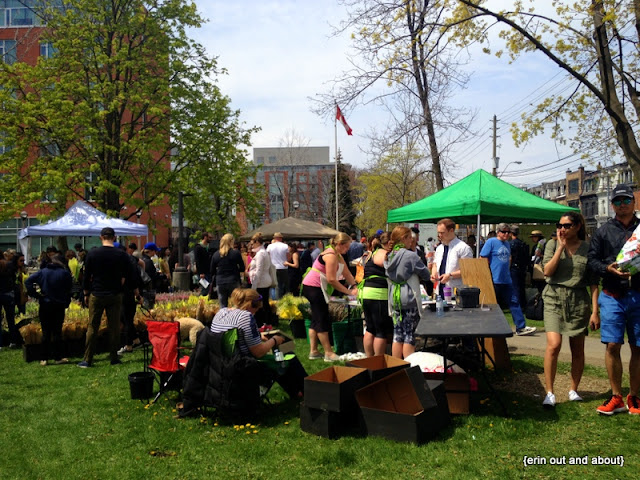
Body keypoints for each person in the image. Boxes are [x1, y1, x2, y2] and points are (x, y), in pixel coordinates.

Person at [587, 184, 640, 415]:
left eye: (626, 200)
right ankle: (616, 395)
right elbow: (592, 261)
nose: (622, 205)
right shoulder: (603, 231)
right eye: (617, 201)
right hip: (611, 295)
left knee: (638, 347)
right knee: (612, 345)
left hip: (638, 294)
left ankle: (634, 397)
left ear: (634, 203)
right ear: (612, 205)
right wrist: (608, 268)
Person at [541, 212, 599, 408]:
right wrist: (560, 248)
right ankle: (549, 392)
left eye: (566, 226)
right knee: (554, 345)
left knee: (577, 349)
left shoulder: (588, 249)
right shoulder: (551, 245)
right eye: (560, 225)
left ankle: (574, 389)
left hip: (578, 300)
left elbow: (593, 282)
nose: (562, 229)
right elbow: (547, 271)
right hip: (553, 297)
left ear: (577, 227)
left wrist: (595, 311)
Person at [209, 288, 306, 398]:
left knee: (279, 359)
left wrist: (259, 336)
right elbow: (258, 352)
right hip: (242, 366)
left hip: (220, 362)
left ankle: (296, 392)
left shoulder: (222, 312)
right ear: (251, 304)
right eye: (256, 308)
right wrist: (274, 340)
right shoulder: (245, 316)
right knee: (286, 356)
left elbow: (231, 334)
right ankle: (306, 388)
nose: (256, 312)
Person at [78, 227, 134, 368]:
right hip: (115, 294)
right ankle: (114, 357)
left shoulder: (93, 253)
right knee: (114, 327)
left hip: (97, 293)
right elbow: (129, 273)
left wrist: (85, 293)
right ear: (114, 237)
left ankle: (87, 359)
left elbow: (86, 276)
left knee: (93, 327)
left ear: (101, 237)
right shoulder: (121, 254)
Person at [302, 232, 358, 362]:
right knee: (322, 318)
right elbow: (332, 279)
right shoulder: (331, 256)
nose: (348, 249)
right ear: (339, 244)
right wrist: (349, 292)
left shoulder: (337, 255)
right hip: (314, 288)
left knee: (316, 318)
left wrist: (354, 285)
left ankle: (314, 351)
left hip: (314, 287)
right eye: (347, 246)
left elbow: (346, 272)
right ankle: (328, 353)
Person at [481, 222, 537, 336]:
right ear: (498, 232)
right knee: (492, 305)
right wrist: (487, 275)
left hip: (506, 279)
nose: (506, 234)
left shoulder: (507, 244)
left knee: (514, 302)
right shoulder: (491, 242)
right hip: (494, 279)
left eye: (508, 232)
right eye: (504, 232)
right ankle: (490, 327)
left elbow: (509, 259)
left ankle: (521, 327)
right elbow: (483, 258)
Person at [385, 226, 431, 359]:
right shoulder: (410, 256)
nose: (412, 240)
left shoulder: (389, 255)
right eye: (410, 237)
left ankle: (395, 365)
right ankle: (408, 365)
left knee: (397, 334)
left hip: (394, 297)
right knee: (409, 335)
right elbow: (426, 274)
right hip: (409, 297)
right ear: (404, 238)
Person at [25, 254, 73, 366]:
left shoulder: (43, 272)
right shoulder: (65, 273)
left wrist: (36, 295)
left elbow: (28, 281)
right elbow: (68, 289)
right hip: (59, 304)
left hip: (45, 303)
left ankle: (44, 358)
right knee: (57, 331)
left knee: (45, 331)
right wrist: (66, 301)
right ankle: (57, 357)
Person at [361, 232, 393, 357]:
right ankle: (378, 360)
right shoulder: (381, 253)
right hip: (378, 294)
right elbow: (386, 265)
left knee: (370, 328)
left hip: (367, 292)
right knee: (380, 330)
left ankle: (369, 358)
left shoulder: (373, 252)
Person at [431, 218, 473, 298]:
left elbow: (467, 270)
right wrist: (433, 274)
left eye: (442, 233)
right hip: (439, 291)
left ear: (451, 231)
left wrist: (450, 275)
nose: (440, 235)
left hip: (455, 292)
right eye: (438, 232)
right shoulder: (439, 248)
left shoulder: (463, 248)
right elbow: (435, 264)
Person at [247, 233, 274, 327]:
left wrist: (254, 286)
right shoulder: (262, 252)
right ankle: (267, 322)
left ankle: (262, 322)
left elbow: (259, 270)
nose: (252, 245)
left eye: (253, 243)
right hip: (263, 281)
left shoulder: (260, 254)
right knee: (264, 303)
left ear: (258, 242)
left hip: (261, 282)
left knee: (259, 304)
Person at [210, 233, 245, 308]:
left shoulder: (216, 254)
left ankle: (224, 318)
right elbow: (242, 268)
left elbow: (212, 270)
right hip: (233, 280)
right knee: (236, 304)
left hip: (220, 281)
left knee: (222, 305)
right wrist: (236, 270)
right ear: (231, 242)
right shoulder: (235, 253)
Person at [509, 225, 531, 310]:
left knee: (515, 287)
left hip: (514, 267)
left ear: (511, 233)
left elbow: (510, 258)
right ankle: (523, 305)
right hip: (522, 268)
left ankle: (517, 305)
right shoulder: (523, 243)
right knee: (522, 287)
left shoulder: (511, 244)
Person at [0, 252, 19, 348]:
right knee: (11, 319)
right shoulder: (8, 264)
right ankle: (13, 341)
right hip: (8, 293)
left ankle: (0, 343)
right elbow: (13, 278)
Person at [266, 232, 289, 299]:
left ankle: (274, 300)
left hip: (273, 267)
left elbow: (267, 256)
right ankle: (281, 299)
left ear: (275, 238)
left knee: (274, 285)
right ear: (280, 238)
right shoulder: (285, 246)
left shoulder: (270, 246)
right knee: (283, 285)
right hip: (283, 267)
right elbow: (288, 257)